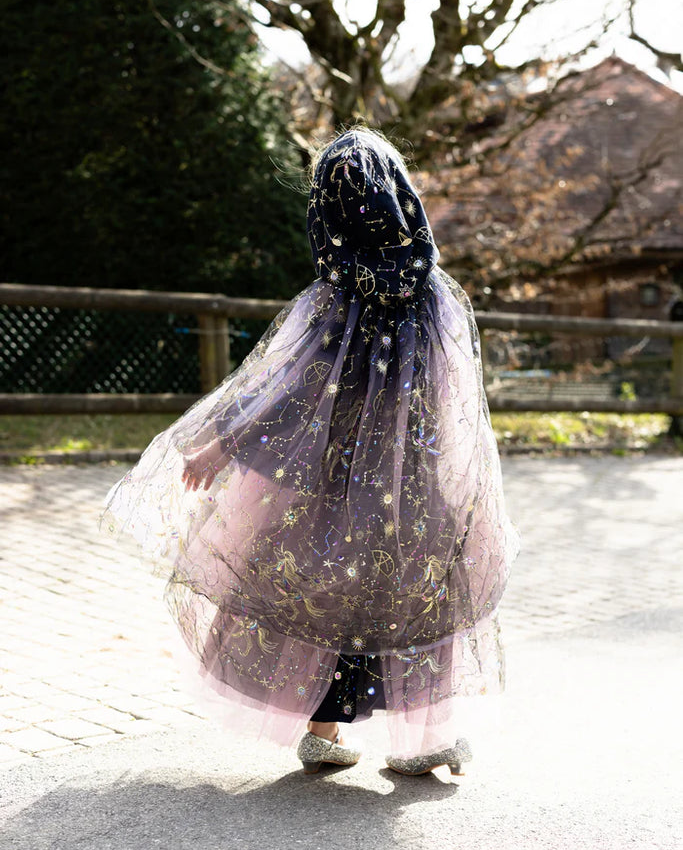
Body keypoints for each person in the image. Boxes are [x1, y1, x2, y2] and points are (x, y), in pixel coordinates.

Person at [103, 127, 518, 776]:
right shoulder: (434, 292)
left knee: (329, 590)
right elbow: (456, 399)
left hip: (336, 478)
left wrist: (226, 441)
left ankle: (325, 731)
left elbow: (291, 387)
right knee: (411, 594)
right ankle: (422, 740)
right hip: (416, 480)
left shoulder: (336, 296)